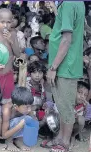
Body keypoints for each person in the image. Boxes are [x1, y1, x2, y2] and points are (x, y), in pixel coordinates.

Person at [46, 1, 85, 152]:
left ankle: (65, 142)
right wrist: (57, 10)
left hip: (64, 65)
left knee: (66, 106)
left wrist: (53, 67)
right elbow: (67, 25)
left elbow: (67, 39)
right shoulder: (76, 3)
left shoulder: (68, 3)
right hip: (67, 63)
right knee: (62, 105)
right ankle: (60, 138)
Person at [2, 87, 34, 151]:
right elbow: (4, 135)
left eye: (30, 106)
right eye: (27, 107)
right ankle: (9, 142)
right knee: (20, 120)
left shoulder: (24, 106)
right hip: (3, 132)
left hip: (15, 129)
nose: (29, 109)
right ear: (15, 106)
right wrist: (19, 126)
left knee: (29, 119)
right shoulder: (7, 110)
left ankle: (19, 140)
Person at [70, 81, 89, 149]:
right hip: (63, 126)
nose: (82, 96)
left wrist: (86, 108)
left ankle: (74, 135)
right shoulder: (68, 102)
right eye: (80, 92)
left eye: (85, 95)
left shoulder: (82, 106)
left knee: (81, 119)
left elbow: (85, 118)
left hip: (73, 127)